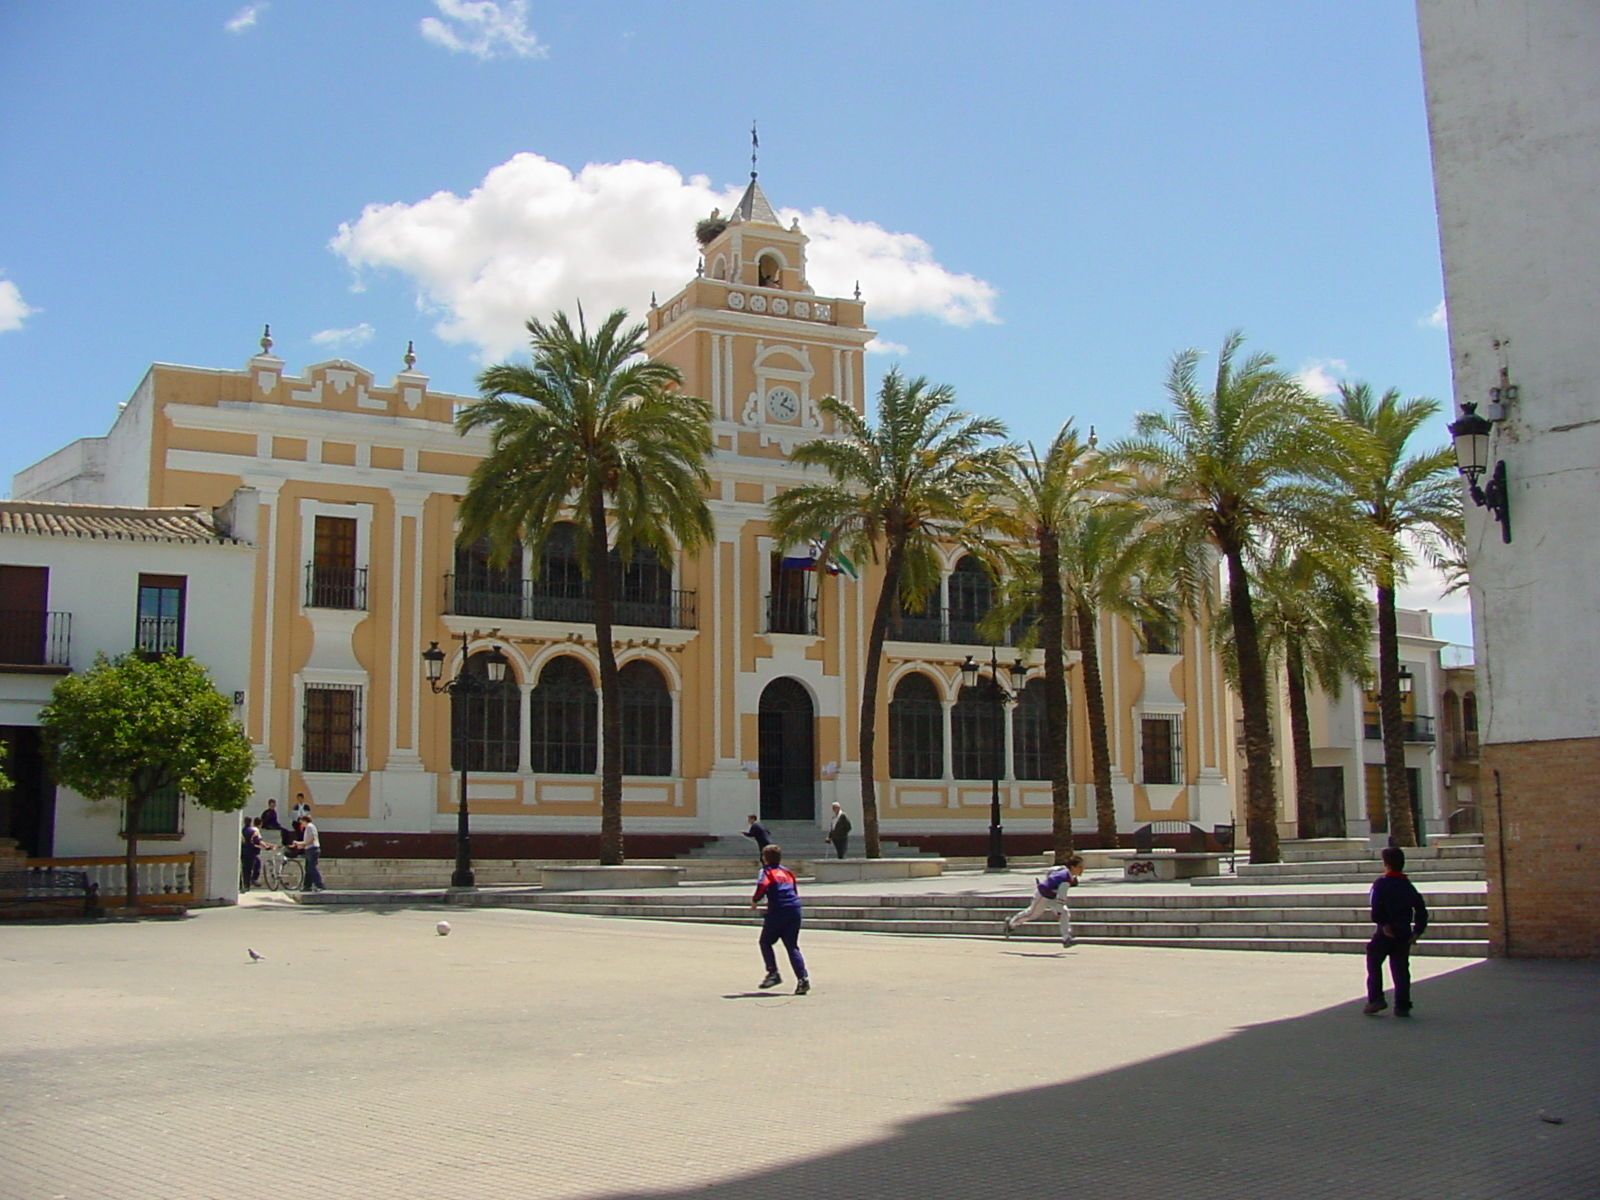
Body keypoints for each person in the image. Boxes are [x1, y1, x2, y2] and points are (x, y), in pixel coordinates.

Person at [1364, 846, 1429, 1017]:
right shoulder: (1407, 885)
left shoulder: (1381, 884)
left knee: (1374, 960)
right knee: (1401, 969)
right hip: (1403, 932)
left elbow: (1376, 906)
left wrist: (1383, 923)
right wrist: (1417, 931)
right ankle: (1402, 1005)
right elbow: (1421, 909)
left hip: (1386, 932)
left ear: (1386, 864)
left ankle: (1376, 998)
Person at [750, 844, 809, 995]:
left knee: (765, 942)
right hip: (794, 908)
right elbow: (794, 889)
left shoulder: (766, 872)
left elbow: (762, 885)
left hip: (778, 910)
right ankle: (803, 979)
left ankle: (773, 973)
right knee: (792, 946)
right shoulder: (787, 872)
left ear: (765, 858)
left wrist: (755, 900)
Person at [1003, 855, 1085, 946]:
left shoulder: (1063, 870)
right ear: (1073, 867)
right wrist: (1058, 912)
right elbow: (1061, 898)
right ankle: (1011, 923)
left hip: (1052, 896)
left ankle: (1066, 938)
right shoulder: (1065, 880)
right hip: (1043, 895)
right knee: (1032, 914)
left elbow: (1050, 872)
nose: (1082, 869)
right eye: (1080, 867)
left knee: (1064, 912)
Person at [289, 815, 326, 892]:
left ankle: (319, 884)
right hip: (309, 849)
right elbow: (307, 842)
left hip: (313, 850)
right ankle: (307, 886)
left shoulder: (310, 826)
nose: (301, 824)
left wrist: (303, 844)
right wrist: (299, 844)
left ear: (304, 820)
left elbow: (312, 838)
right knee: (308, 868)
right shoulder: (308, 828)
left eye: (301, 822)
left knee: (311, 868)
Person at [240, 820, 263, 891]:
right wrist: (266, 846)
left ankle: (242, 885)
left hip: (244, 851)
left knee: (244, 869)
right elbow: (258, 841)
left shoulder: (243, 830)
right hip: (251, 852)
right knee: (249, 869)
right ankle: (250, 883)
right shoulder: (254, 831)